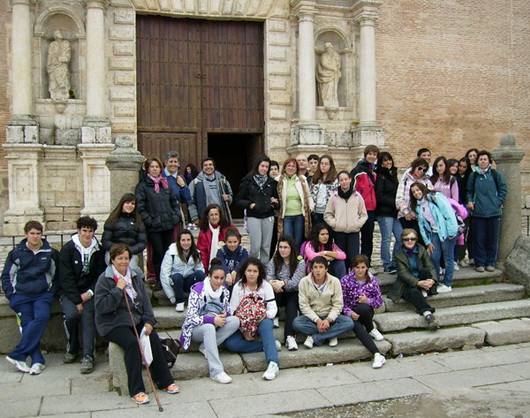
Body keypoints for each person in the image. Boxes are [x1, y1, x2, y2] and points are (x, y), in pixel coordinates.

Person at [95, 244, 180, 405]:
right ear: (112, 260)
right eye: (120, 258)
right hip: (113, 324)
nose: (123, 262)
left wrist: (149, 321)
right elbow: (101, 307)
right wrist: (117, 290)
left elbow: (146, 302)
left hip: (136, 319)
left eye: (126, 258)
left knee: (153, 337)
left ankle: (165, 380)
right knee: (132, 343)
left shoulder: (135, 275)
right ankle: (136, 389)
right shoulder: (105, 279)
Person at [1, 221, 59, 375]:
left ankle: (18, 354)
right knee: (27, 325)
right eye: (32, 233)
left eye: (38, 233)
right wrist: (11, 295)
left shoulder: (49, 252)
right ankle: (37, 360)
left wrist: (51, 292)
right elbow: (7, 275)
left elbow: (56, 275)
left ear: (42, 235)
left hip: (42, 295)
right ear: (26, 234)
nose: (35, 236)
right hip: (21, 295)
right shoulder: (16, 253)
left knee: (42, 317)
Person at [58, 216, 106, 373]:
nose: (87, 234)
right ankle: (72, 347)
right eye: (84, 230)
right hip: (70, 292)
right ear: (78, 230)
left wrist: (90, 293)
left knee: (88, 314)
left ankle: (88, 355)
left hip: (89, 292)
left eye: (90, 231)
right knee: (71, 315)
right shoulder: (68, 249)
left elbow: (100, 275)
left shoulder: (98, 250)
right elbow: (66, 278)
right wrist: (77, 299)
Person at [179, 260, 240, 384]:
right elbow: (191, 317)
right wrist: (211, 319)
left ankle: (205, 347)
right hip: (196, 328)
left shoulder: (224, 291)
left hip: (216, 323)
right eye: (216, 278)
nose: (219, 281)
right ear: (209, 276)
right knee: (209, 328)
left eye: (222, 278)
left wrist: (225, 314)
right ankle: (216, 371)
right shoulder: (197, 290)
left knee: (235, 320)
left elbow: (228, 309)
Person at [224, 258, 280, 380]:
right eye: (249, 270)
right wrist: (244, 330)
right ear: (244, 272)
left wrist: (262, 316)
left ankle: (273, 364)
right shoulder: (238, 286)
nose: (252, 274)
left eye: (255, 271)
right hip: (243, 322)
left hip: (261, 320)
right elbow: (233, 311)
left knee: (266, 327)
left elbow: (273, 309)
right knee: (231, 344)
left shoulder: (266, 286)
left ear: (259, 273)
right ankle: (265, 346)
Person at [135, 157, 182, 287]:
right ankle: (158, 280)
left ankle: (167, 277)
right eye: (152, 167)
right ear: (148, 169)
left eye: (157, 167)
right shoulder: (143, 186)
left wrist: (176, 216)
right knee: (158, 252)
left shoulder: (165, 184)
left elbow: (174, 202)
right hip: (154, 226)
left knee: (168, 252)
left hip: (168, 223)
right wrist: (149, 220)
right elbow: (140, 206)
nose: (155, 169)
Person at [293, 256, 354, 348]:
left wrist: (328, 320)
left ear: (326, 269)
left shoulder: (335, 281)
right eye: (315, 267)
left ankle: (316, 337)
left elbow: (338, 304)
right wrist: (317, 320)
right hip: (312, 317)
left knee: (349, 322)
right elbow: (303, 305)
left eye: (321, 267)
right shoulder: (304, 282)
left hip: (330, 316)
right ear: (311, 269)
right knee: (296, 323)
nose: (318, 270)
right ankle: (331, 334)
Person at [409, 182, 458, 292]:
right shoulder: (418, 206)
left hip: (446, 231)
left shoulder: (435, 198)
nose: (416, 193)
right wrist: (427, 242)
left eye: (417, 190)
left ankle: (447, 283)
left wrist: (451, 232)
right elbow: (421, 225)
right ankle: (435, 281)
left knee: (448, 258)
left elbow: (448, 213)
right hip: (434, 233)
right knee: (434, 257)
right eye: (413, 192)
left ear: (423, 189)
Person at [387, 229, 439, 331]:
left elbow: (430, 266)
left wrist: (433, 280)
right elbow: (403, 273)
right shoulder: (399, 254)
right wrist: (417, 283)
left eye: (412, 239)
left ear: (416, 240)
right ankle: (428, 315)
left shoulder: (421, 249)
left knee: (425, 271)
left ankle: (424, 290)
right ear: (402, 240)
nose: (410, 241)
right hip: (406, 284)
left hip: (421, 278)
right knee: (414, 292)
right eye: (406, 239)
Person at [340, 254, 386, 369]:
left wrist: (367, 301)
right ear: (353, 268)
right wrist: (349, 313)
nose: (360, 270)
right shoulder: (345, 281)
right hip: (350, 313)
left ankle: (370, 328)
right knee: (355, 325)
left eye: (363, 267)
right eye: (357, 267)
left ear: (367, 268)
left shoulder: (372, 281)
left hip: (365, 311)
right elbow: (341, 302)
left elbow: (379, 302)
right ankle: (376, 353)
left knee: (363, 308)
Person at [466, 150, 508, 272]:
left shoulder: (495, 175)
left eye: (485, 159)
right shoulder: (474, 176)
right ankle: (480, 263)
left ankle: (490, 262)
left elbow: (503, 189)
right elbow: (469, 191)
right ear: (477, 162)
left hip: (494, 212)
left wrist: (498, 202)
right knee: (479, 238)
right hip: (478, 212)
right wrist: (470, 201)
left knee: (492, 238)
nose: (483, 161)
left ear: (489, 160)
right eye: (480, 159)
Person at [236, 155, 279, 263]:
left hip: (268, 216)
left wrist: (274, 204)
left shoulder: (272, 183)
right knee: (255, 247)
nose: (264, 169)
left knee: (266, 247)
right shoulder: (248, 181)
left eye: (266, 167)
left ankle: (264, 271)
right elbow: (239, 200)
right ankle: (252, 268)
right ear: (257, 166)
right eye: (262, 166)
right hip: (254, 217)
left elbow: (278, 201)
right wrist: (250, 204)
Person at [266, 235, 306, 351]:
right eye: (280, 247)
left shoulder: (300, 262)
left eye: (285, 247)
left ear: (291, 248)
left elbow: (296, 282)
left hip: (292, 291)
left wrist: (282, 283)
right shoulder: (275, 259)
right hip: (277, 291)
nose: (282, 250)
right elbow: (269, 276)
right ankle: (275, 315)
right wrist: (275, 284)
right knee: (271, 289)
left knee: (292, 306)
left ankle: (290, 336)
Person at [324, 171, 368, 271]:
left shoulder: (357, 196)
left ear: (350, 179)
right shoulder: (334, 197)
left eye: (345, 179)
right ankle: (342, 279)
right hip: (339, 232)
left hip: (353, 232)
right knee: (341, 258)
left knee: (354, 258)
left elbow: (363, 214)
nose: (344, 182)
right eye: (341, 180)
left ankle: (353, 279)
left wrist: (357, 224)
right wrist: (335, 224)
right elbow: (327, 214)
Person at [160, 229, 206, 312]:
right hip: (175, 282)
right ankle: (180, 302)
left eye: (188, 240)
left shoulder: (196, 252)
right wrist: (171, 296)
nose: (186, 243)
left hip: (188, 281)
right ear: (179, 241)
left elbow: (200, 269)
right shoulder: (171, 253)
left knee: (200, 274)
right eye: (183, 240)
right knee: (177, 276)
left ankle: (199, 299)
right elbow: (164, 274)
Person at [102, 193, 146, 271]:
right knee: (113, 268)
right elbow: (105, 241)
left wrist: (129, 251)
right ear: (122, 203)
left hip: (131, 252)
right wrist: (118, 250)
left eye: (132, 203)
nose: (130, 205)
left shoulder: (138, 221)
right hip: (114, 251)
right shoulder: (112, 219)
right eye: (127, 203)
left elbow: (142, 242)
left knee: (132, 269)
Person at [351, 145, 379, 262]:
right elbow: (351, 189)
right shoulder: (357, 171)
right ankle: (354, 260)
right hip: (358, 209)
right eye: (370, 154)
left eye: (374, 154)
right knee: (355, 237)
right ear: (365, 155)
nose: (372, 156)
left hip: (371, 209)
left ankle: (366, 261)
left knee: (368, 237)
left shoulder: (375, 171)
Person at [277, 158, 314, 248]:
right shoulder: (279, 181)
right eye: (289, 165)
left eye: (293, 166)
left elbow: (308, 196)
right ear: (284, 167)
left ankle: (297, 260)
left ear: (296, 168)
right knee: (288, 240)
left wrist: (310, 208)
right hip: (286, 216)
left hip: (300, 215)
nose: (291, 168)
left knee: (298, 241)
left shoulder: (302, 180)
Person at [375, 153, 402, 273]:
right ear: (381, 163)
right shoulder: (381, 177)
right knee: (386, 238)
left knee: (401, 237)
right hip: (384, 212)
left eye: (389, 160)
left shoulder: (393, 175)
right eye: (385, 161)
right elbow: (379, 196)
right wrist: (394, 202)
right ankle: (387, 263)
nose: (388, 162)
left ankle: (395, 262)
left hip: (394, 212)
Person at [188, 157, 234, 224]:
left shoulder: (222, 181)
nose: (208, 167)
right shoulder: (195, 183)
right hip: (204, 219)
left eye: (210, 164)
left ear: (214, 167)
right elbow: (190, 202)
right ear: (202, 168)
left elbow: (230, 195)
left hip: (221, 218)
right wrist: (195, 217)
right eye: (205, 165)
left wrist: (228, 198)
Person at [395, 157, 433, 234]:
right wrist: (406, 212)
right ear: (414, 167)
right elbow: (399, 199)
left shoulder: (427, 182)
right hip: (405, 216)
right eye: (420, 168)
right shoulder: (405, 180)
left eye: (424, 170)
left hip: (421, 217)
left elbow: (431, 197)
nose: (421, 171)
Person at [197, 204, 237, 271]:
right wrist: (206, 270)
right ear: (207, 216)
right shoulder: (203, 232)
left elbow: (237, 240)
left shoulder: (228, 227)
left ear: (220, 215)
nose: (214, 217)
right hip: (210, 266)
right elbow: (202, 253)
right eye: (211, 215)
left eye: (216, 214)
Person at [216, 227, 249, 292]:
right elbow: (222, 264)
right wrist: (228, 274)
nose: (232, 244)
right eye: (229, 242)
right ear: (225, 241)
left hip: (238, 276)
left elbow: (243, 263)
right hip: (224, 275)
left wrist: (235, 271)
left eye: (235, 242)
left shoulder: (243, 252)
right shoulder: (221, 251)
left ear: (238, 241)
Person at [309, 154, 338, 226]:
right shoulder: (315, 179)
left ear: (331, 165)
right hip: (316, 212)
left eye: (326, 164)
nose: (323, 166)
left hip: (329, 213)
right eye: (321, 163)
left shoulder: (335, 180)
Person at [47, 30, 71, 101]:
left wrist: (64, 58)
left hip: (62, 64)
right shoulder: (52, 44)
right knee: (53, 80)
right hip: (53, 65)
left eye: (59, 34)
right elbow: (50, 55)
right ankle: (54, 93)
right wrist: (49, 65)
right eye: (57, 34)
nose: (58, 36)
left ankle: (65, 93)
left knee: (63, 78)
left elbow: (68, 55)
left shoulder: (66, 44)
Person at [316, 42, 341, 107]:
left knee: (332, 87)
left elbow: (338, 63)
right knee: (328, 86)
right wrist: (333, 68)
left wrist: (337, 66)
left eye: (329, 48)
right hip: (325, 74)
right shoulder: (324, 56)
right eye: (327, 48)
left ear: (331, 48)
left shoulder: (335, 55)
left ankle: (333, 100)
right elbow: (324, 64)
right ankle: (326, 101)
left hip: (333, 74)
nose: (328, 50)